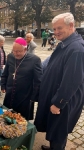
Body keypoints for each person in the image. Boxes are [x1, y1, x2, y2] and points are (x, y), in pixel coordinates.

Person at [34, 12, 84, 150]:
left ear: (71, 26)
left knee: (59, 131)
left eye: (59, 28)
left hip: (64, 102)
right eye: (54, 29)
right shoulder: (66, 43)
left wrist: (58, 103)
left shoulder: (76, 49)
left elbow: (72, 80)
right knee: (53, 127)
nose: (56, 32)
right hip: (56, 95)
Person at [1, 37, 42, 120]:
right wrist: (3, 85)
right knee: (7, 116)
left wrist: (34, 97)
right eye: (14, 51)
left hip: (25, 97)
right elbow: (5, 73)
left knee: (21, 120)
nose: (15, 54)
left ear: (25, 49)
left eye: (18, 51)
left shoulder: (35, 60)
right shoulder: (10, 57)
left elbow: (38, 81)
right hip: (10, 93)